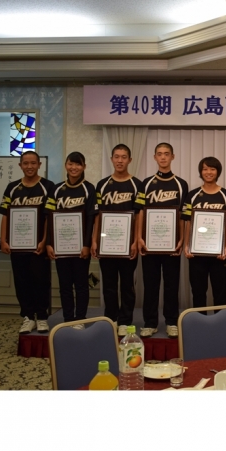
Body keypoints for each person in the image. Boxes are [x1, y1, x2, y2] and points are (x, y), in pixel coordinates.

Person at [0, 151, 56, 334]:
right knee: (22, 282)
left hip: (39, 247)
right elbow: (5, 215)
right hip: (17, 246)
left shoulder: (48, 187)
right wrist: (3, 240)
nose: (29, 166)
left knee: (41, 281)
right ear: (20, 165)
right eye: (26, 163)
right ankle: (28, 317)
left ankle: (42, 317)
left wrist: (44, 241)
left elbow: (49, 217)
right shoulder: (12, 188)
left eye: (33, 163)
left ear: (39, 165)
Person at [136, 143, 189, 339]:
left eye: (167, 154)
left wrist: (182, 239)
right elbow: (140, 212)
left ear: (172, 157)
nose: (163, 157)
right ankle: (150, 322)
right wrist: (139, 237)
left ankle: (171, 321)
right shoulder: (146, 183)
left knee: (171, 284)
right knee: (150, 284)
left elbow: (183, 214)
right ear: (155, 157)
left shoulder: (181, 184)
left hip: (171, 244)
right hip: (149, 244)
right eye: (160, 154)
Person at [91, 144, 142, 336]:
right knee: (109, 285)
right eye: (117, 157)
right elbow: (98, 215)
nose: (120, 160)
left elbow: (139, 216)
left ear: (130, 160)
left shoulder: (137, 184)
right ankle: (111, 318)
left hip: (128, 246)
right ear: (112, 159)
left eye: (124, 157)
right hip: (107, 245)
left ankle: (125, 321)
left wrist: (136, 240)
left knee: (127, 285)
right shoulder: (102, 185)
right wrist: (95, 240)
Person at [46, 152, 97, 328]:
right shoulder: (56, 189)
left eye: (78, 164)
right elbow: (49, 218)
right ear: (66, 165)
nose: (74, 167)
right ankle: (68, 319)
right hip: (61, 247)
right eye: (70, 164)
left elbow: (91, 219)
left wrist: (87, 244)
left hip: (81, 248)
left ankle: (80, 319)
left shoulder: (89, 189)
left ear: (84, 167)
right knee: (65, 285)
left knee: (81, 285)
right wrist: (49, 243)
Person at [182, 157, 226, 310]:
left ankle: (220, 321)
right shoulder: (192, 195)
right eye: (205, 169)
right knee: (198, 292)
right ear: (200, 172)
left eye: (212, 169)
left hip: (219, 254)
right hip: (197, 254)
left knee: (220, 293)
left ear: (218, 172)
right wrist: (186, 246)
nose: (208, 172)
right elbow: (188, 222)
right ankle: (199, 321)